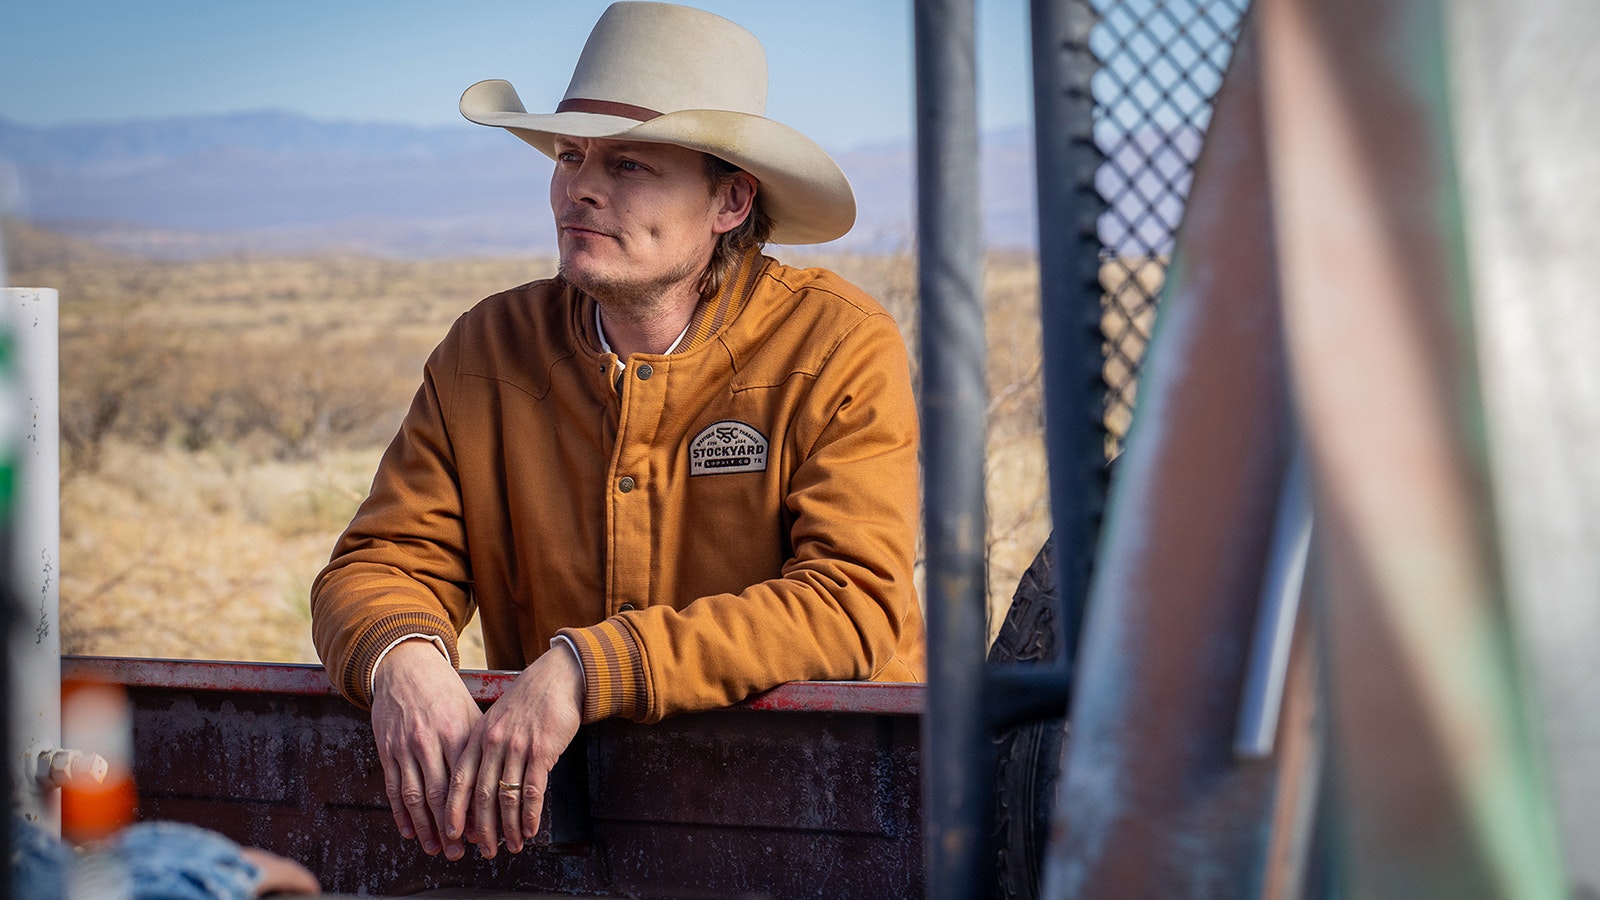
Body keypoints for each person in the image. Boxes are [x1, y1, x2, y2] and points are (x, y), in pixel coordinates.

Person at [310, 0, 925, 863]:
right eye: (570, 156)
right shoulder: (489, 348)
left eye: (629, 164)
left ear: (730, 198)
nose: (580, 188)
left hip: (828, 821)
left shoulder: (836, 345)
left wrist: (584, 667)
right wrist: (402, 659)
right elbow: (380, 563)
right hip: (570, 829)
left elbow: (851, 604)